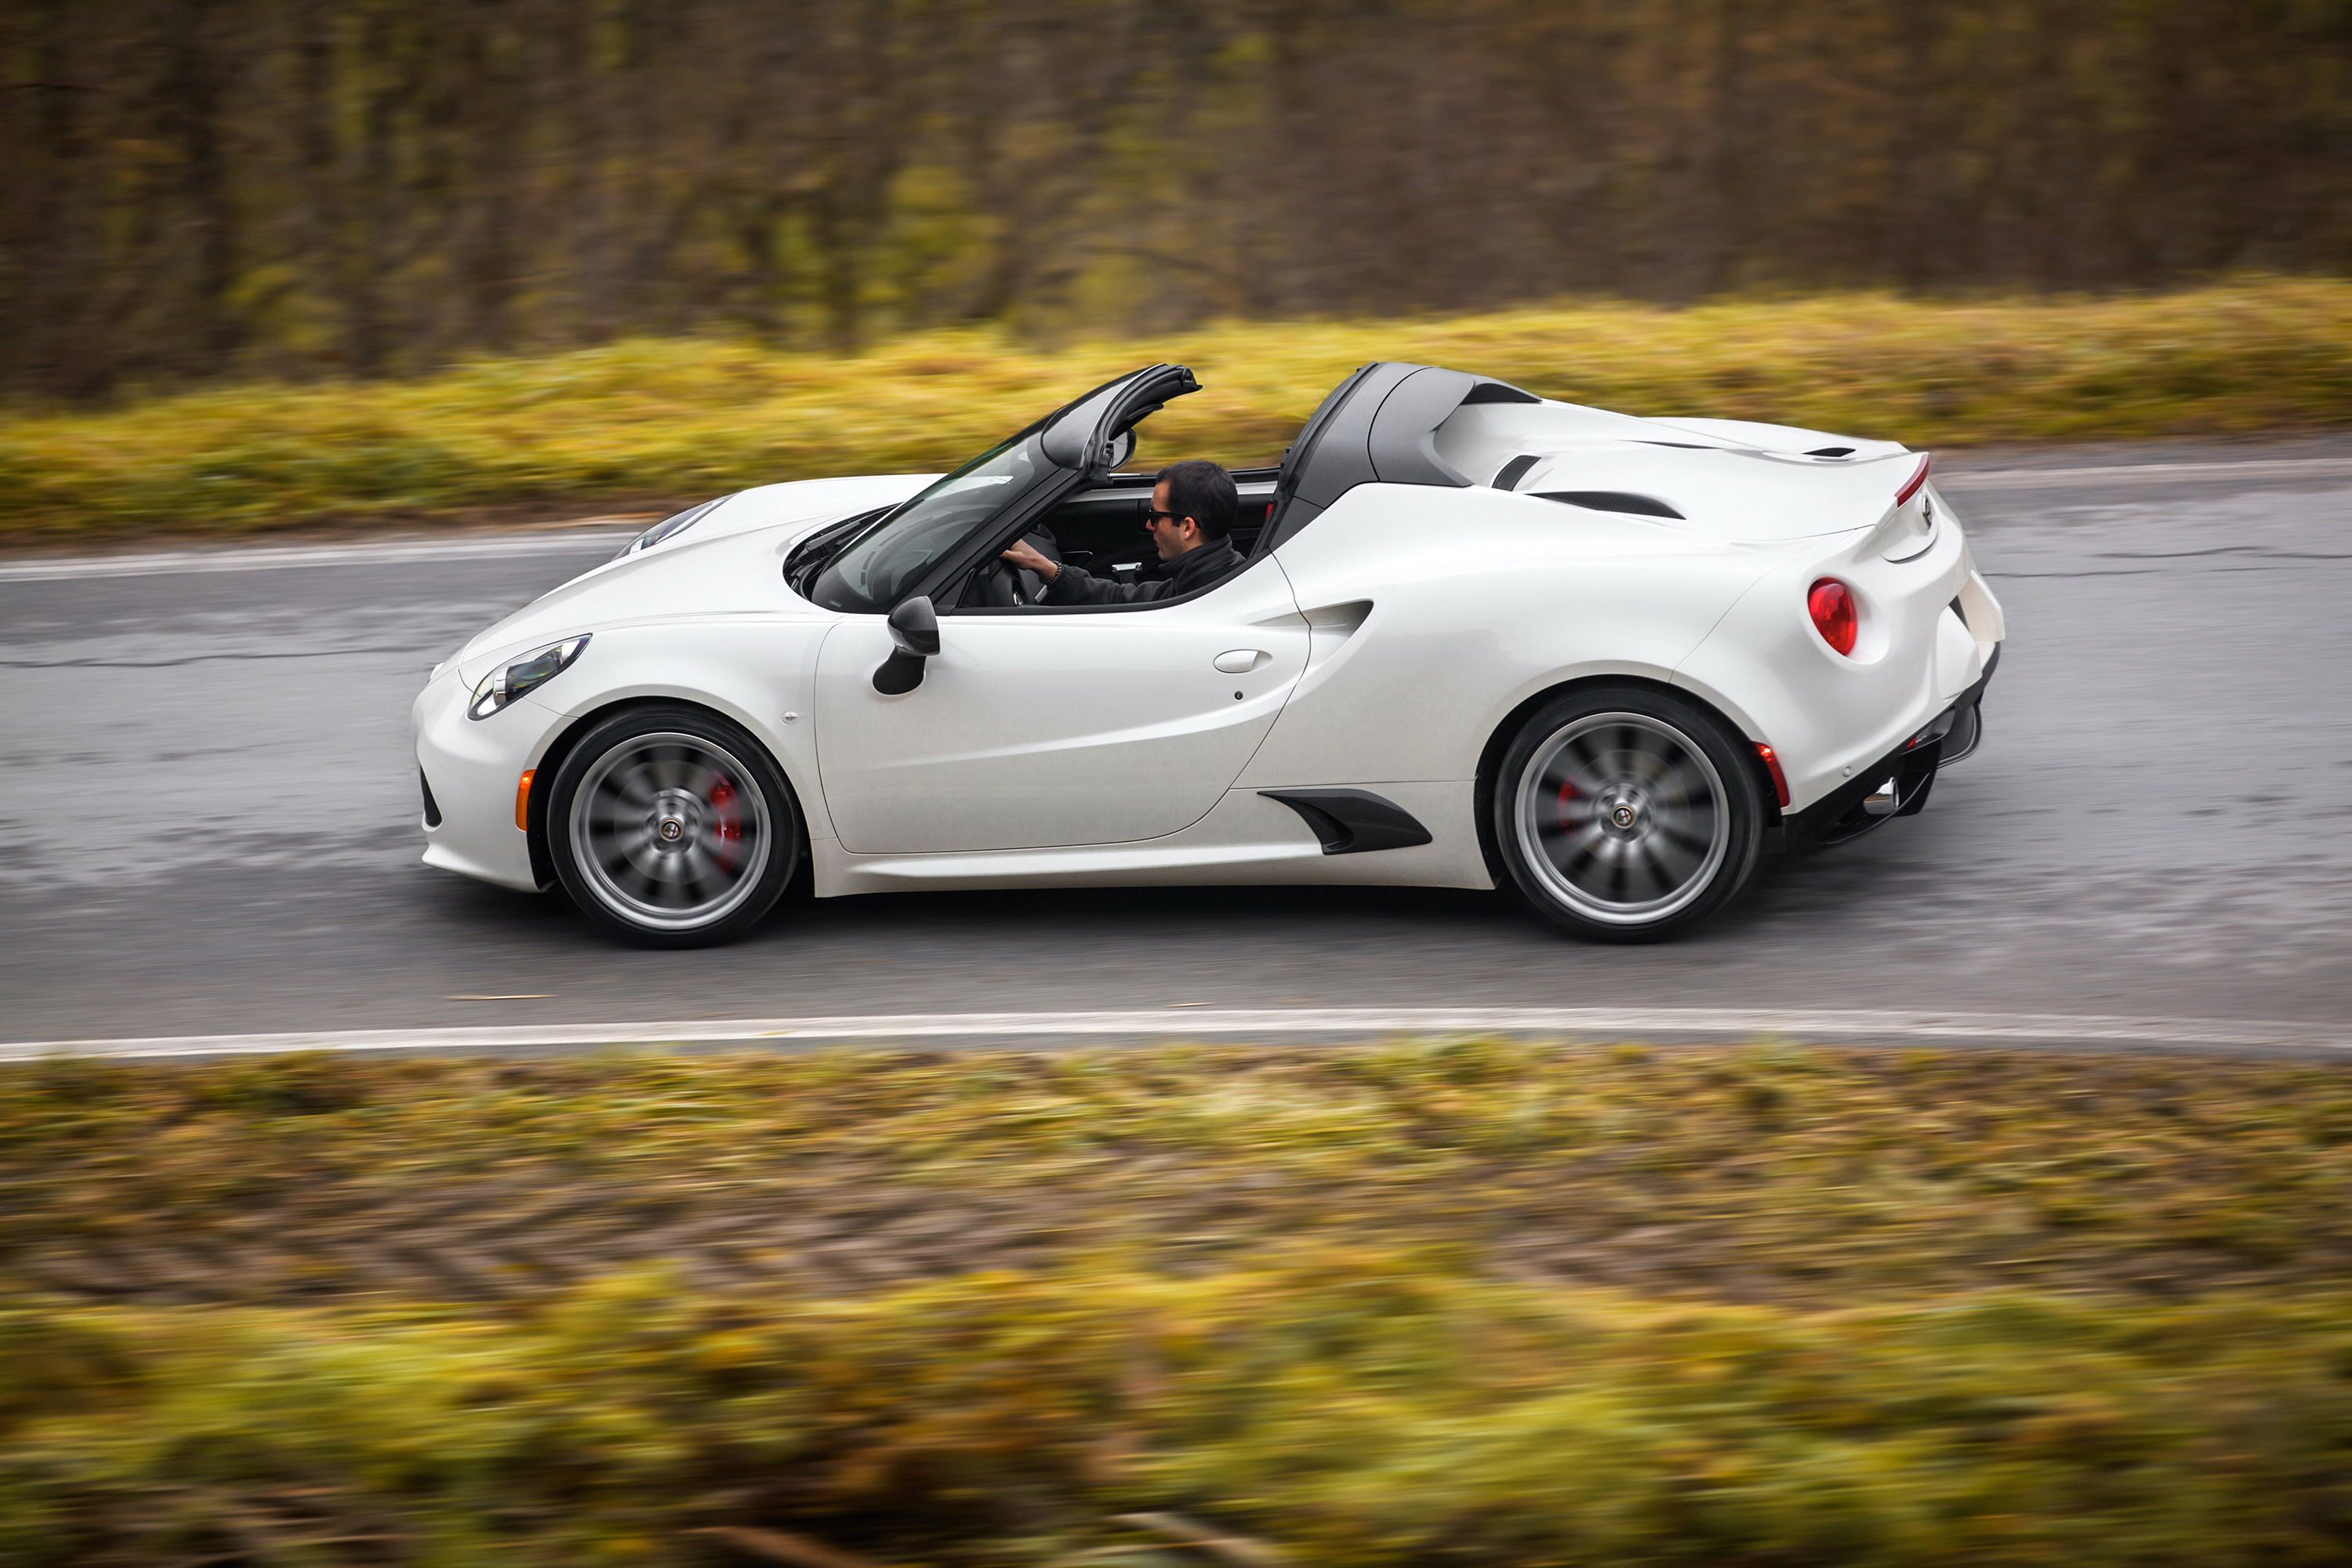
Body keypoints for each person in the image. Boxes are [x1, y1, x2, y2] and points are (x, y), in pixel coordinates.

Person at [1000, 459, 1243, 604]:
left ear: (1187, 527)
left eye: (1155, 516)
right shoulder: (1209, 576)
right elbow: (1126, 599)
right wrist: (1046, 567)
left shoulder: (1204, 597)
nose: (1149, 525)